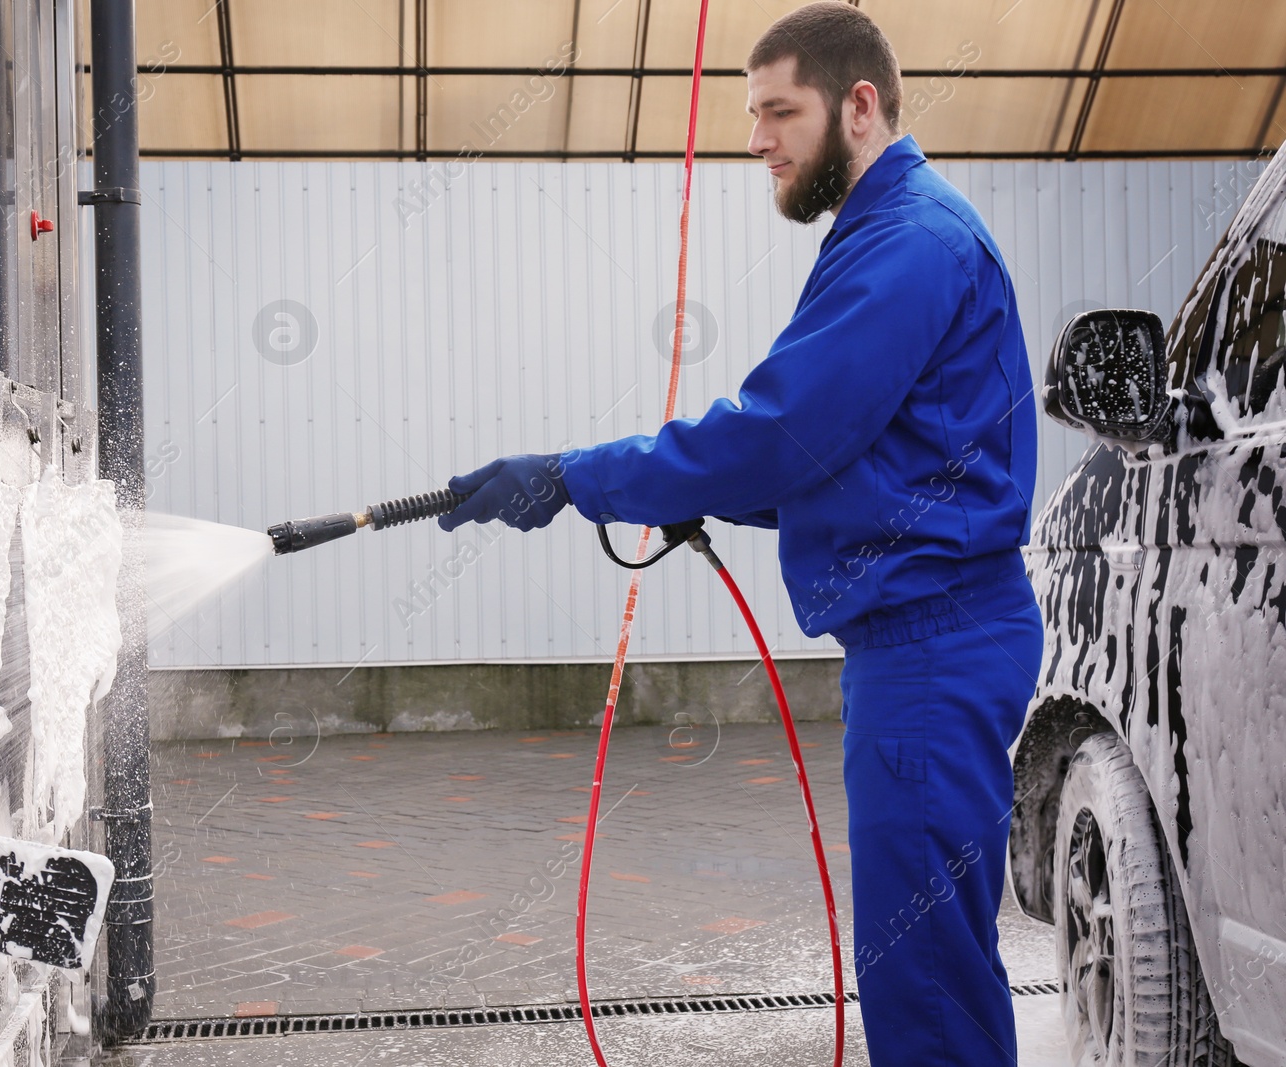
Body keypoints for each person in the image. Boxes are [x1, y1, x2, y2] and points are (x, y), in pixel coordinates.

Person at [435, 4, 1043, 1065]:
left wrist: (579, 475)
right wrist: (691, 491)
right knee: (926, 959)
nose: (755, 137)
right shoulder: (886, 231)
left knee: (929, 976)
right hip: (920, 645)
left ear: (859, 107)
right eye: (752, 112)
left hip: (934, 649)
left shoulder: (908, 244)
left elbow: (786, 430)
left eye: (778, 111)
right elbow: (856, 455)